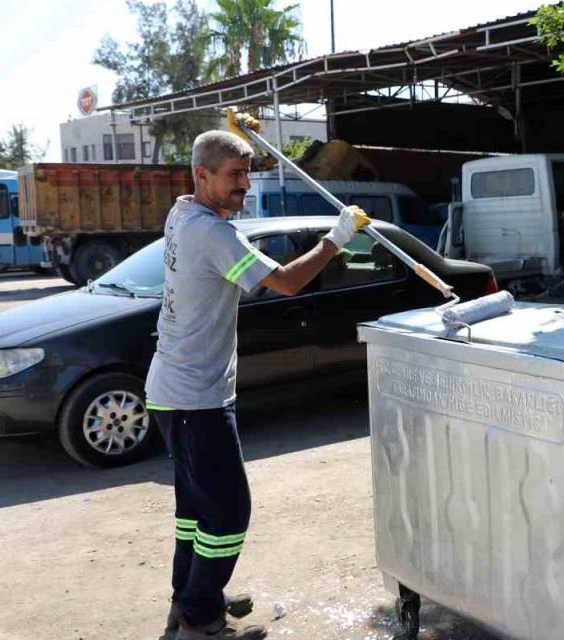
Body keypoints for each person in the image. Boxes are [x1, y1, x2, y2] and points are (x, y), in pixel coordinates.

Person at [146, 130, 369, 640]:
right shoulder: (213, 233)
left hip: (173, 390)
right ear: (200, 175)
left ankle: (191, 595)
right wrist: (336, 238)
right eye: (233, 176)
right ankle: (199, 619)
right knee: (228, 512)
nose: (243, 185)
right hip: (194, 398)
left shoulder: (182, 213)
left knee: (195, 511)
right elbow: (288, 282)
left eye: (247, 175)